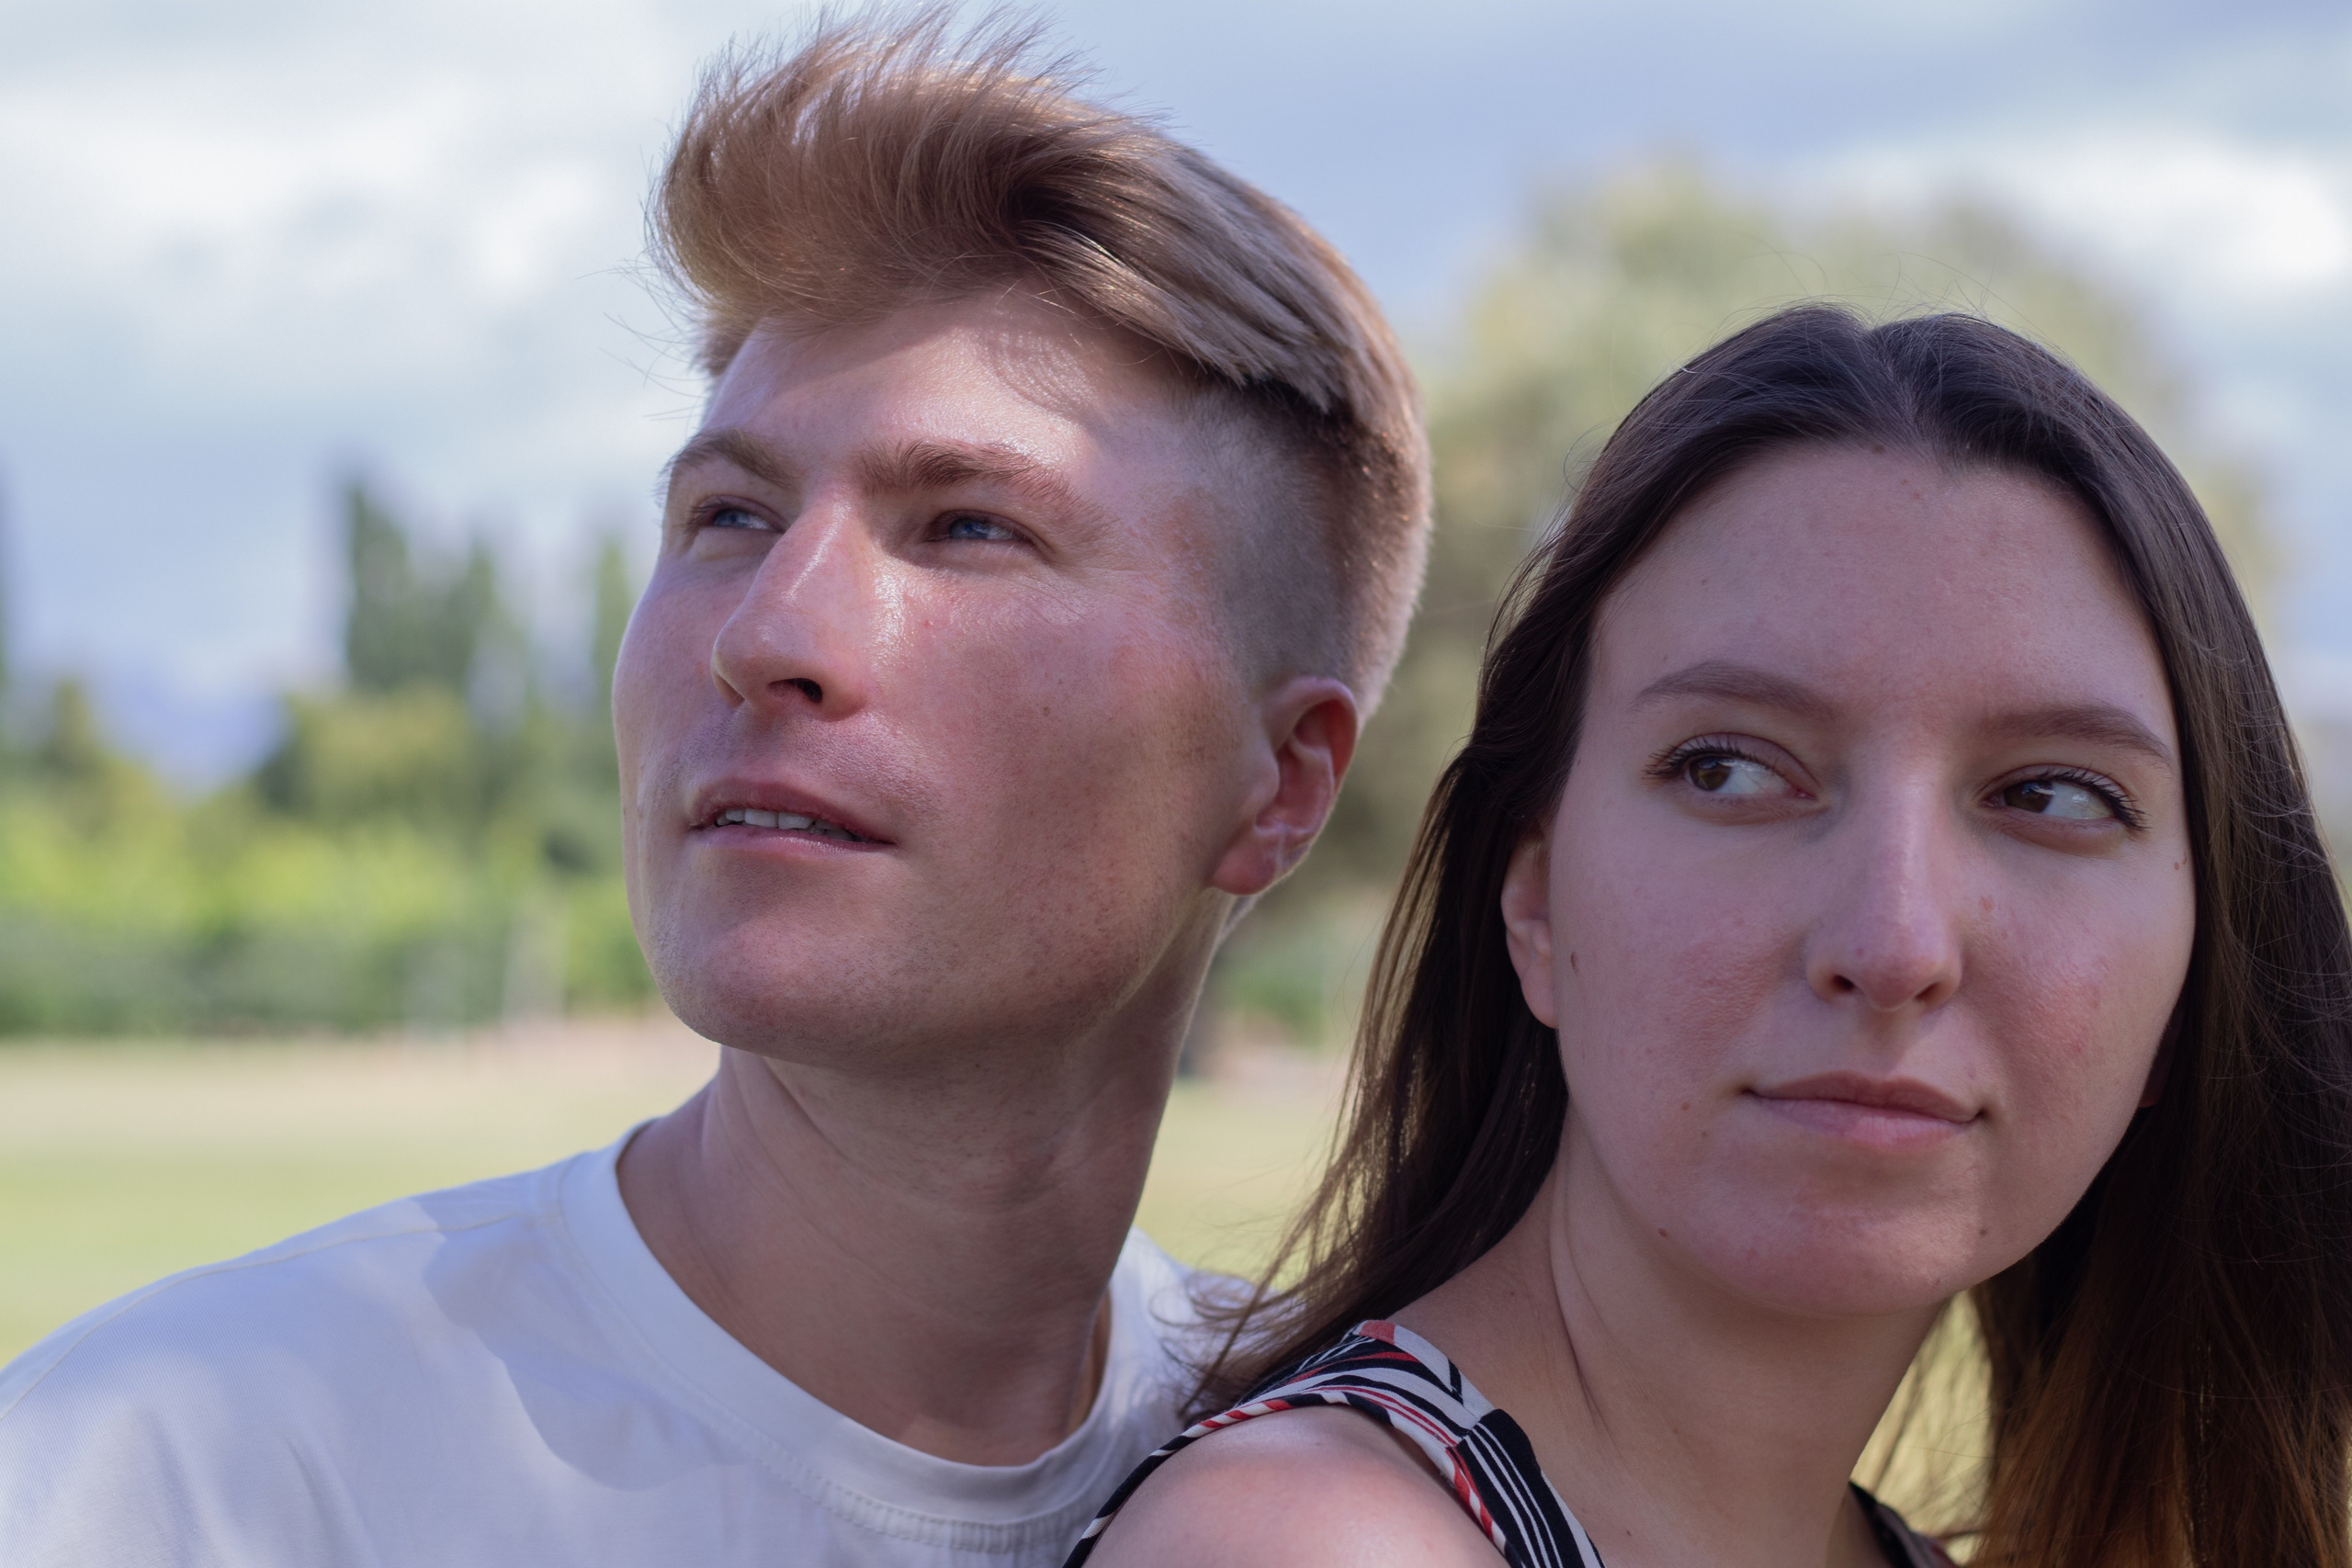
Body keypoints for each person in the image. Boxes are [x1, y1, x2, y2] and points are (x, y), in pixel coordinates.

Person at [0, 15, 1429, 1566]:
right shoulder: (172, 1480)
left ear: (1280, 786)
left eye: (966, 530)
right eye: (731, 515)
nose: (766, 639)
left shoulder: (1341, 1484)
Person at [1075, 306, 2352, 1568]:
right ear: (1532, 901)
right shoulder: (1317, 1546)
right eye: (1731, 770)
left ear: (2195, 985)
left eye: (2051, 796)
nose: (1895, 941)